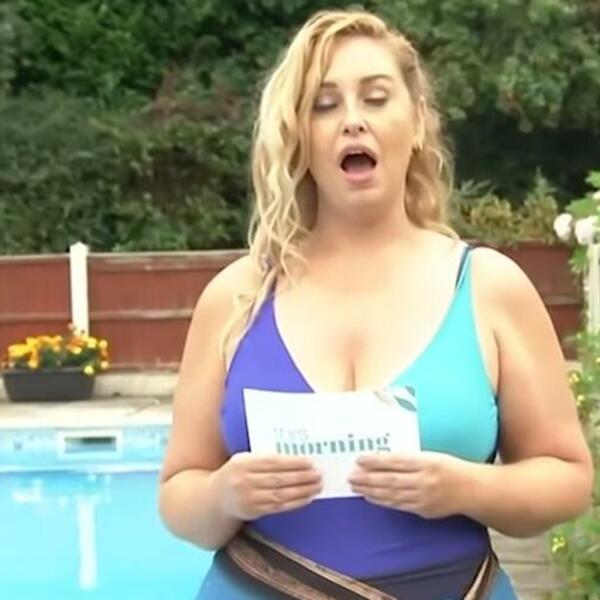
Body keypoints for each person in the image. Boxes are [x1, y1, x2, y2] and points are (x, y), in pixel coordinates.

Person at [158, 8, 593, 599]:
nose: (352, 120)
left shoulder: (490, 288)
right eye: (324, 104)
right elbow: (179, 497)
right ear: (299, 135)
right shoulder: (235, 297)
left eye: (376, 98)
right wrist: (223, 494)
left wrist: (466, 488)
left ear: (416, 122)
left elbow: (567, 480)